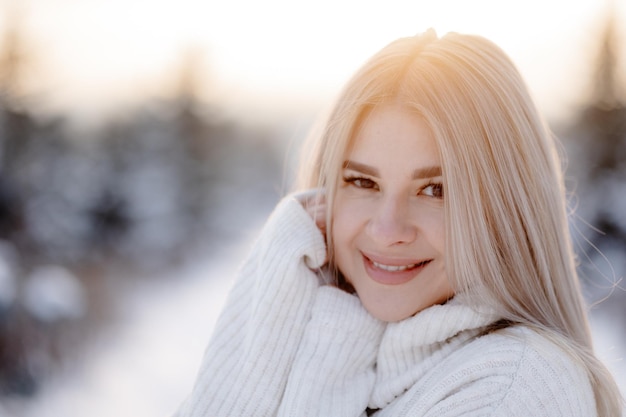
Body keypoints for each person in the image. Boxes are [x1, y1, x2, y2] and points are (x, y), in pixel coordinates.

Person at [175, 29, 624, 416]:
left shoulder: (508, 394)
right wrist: (328, 344)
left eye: (436, 190)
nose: (388, 229)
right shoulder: (367, 356)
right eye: (362, 182)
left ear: (505, 208)